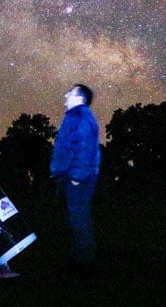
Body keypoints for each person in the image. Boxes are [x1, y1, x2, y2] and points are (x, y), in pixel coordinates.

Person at [49, 83, 101, 270]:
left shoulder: (80, 116)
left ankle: (84, 264)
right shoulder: (75, 116)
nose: (65, 96)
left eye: (70, 93)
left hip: (79, 178)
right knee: (74, 218)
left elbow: (85, 147)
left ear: (79, 98)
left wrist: (76, 177)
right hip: (71, 176)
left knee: (79, 218)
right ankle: (78, 258)